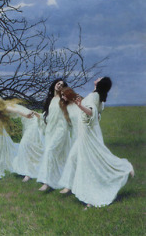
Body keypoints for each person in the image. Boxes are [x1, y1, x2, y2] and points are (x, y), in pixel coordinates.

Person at [59, 77, 134, 208]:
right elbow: (97, 114)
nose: (97, 78)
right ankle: (85, 192)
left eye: (99, 78)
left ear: (100, 83)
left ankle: (92, 196)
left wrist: (80, 106)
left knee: (90, 161)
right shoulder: (97, 95)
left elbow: (92, 113)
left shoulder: (94, 96)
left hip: (88, 133)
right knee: (88, 159)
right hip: (86, 132)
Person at [36, 78, 71, 191]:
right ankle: (58, 179)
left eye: (62, 85)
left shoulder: (64, 99)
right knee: (55, 155)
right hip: (51, 130)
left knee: (50, 151)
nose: (59, 85)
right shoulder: (50, 99)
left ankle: (47, 183)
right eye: (58, 83)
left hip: (61, 129)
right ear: (54, 84)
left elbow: (70, 113)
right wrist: (37, 116)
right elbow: (47, 116)